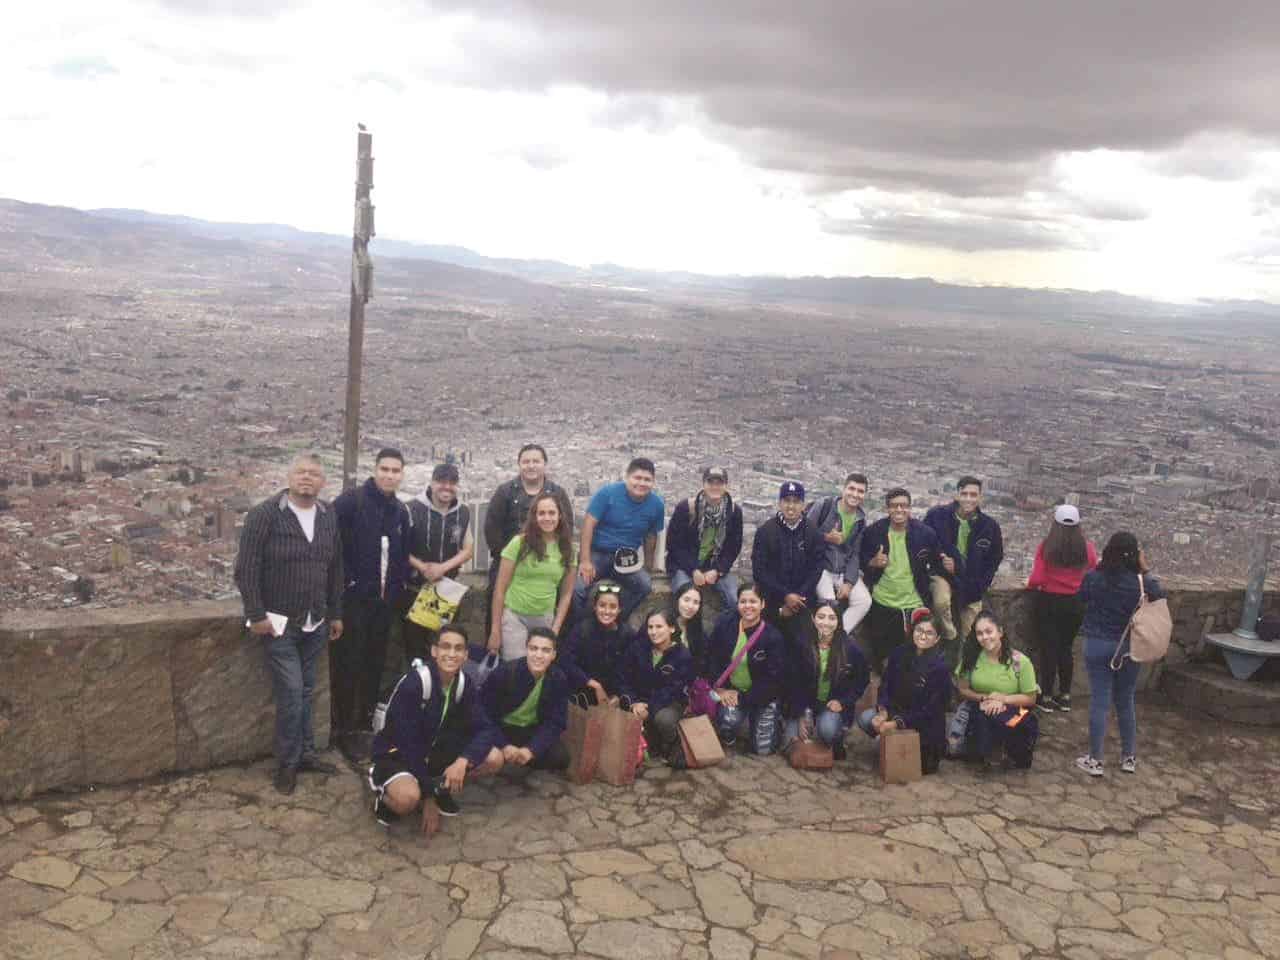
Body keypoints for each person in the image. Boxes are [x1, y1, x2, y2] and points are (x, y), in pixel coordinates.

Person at [234, 453, 344, 795]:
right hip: (279, 622)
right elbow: (246, 568)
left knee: (307, 691)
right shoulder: (265, 515)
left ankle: (306, 754)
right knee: (293, 693)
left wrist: (336, 612)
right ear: (289, 477)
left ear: (323, 481)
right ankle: (287, 762)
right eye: (301, 472)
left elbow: (335, 567)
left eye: (314, 473)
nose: (307, 478)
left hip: (316, 619)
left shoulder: (328, 516)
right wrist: (255, 614)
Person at [369, 625, 504, 832]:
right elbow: (408, 746)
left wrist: (463, 760)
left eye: (458, 649)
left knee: (494, 757)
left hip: (433, 751)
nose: (451, 654)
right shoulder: (415, 684)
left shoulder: (464, 684)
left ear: (466, 655)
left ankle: (440, 788)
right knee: (407, 799)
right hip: (397, 754)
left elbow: (486, 729)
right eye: (445, 647)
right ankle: (385, 795)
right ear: (434, 651)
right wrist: (428, 798)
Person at [332, 448, 413, 758]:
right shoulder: (351, 503)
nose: (390, 475)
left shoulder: (399, 511)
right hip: (353, 601)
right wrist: (347, 584)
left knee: (374, 663)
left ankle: (364, 723)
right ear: (375, 469)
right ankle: (344, 727)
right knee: (348, 663)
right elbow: (333, 548)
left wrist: (397, 589)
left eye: (395, 471)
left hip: (383, 604)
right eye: (385, 469)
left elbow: (401, 555)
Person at [1075, 532, 1165, 777]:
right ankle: (1128, 757)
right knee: (1125, 700)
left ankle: (1095, 760)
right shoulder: (1140, 582)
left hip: (1097, 643)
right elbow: (1160, 596)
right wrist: (1145, 569)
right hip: (1128, 646)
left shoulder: (1094, 577)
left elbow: (1081, 598)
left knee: (1100, 701)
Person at [859, 487, 958, 674]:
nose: (899, 510)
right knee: (883, 657)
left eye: (903, 506)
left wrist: (950, 567)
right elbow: (862, 560)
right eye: (894, 506)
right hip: (883, 601)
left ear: (909, 508)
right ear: (887, 509)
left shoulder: (924, 534)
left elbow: (937, 562)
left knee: (916, 657)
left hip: (915, 603)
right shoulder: (874, 532)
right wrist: (872, 562)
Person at [483, 444, 574, 637]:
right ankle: (494, 643)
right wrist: (509, 556)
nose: (531, 466)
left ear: (545, 464)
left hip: (551, 559)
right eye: (526, 461)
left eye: (536, 461)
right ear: (519, 465)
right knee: (494, 595)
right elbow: (492, 528)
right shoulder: (505, 492)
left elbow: (568, 527)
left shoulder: (558, 493)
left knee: (571, 595)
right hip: (509, 559)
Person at [855, 609, 950, 775]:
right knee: (866, 719)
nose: (922, 636)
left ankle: (891, 742)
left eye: (929, 633)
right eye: (919, 630)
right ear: (912, 631)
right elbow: (885, 686)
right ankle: (888, 742)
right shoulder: (899, 654)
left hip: (924, 727)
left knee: (917, 764)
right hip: (896, 712)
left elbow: (930, 711)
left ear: (937, 639)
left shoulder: (940, 668)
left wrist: (895, 723)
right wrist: (883, 711)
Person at [925, 477, 1004, 668]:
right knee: (941, 602)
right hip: (943, 575)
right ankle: (950, 635)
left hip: (971, 584)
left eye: (973, 495)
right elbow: (924, 540)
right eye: (965, 494)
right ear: (957, 495)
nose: (969, 499)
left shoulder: (989, 526)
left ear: (980, 498)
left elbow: (994, 558)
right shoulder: (937, 516)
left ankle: (962, 671)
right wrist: (941, 560)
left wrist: (982, 584)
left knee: (971, 634)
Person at [1026, 504, 1098, 713]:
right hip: (1075, 604)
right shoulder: (1088, 548)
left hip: (1049, 601)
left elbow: (1037, 578)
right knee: (1065, 648)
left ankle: (1046, 695)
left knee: (1049, 649)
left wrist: (1031, 585)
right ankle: (1065, 695)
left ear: (1055, 524)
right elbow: (1093, 573)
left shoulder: (1046, 547)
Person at [576, 457, 666, 623]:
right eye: (637, 478)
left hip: (626, 558)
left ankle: (615, 620)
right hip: (598, 552)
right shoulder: (607, 493)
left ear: (653, 482)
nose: (641, 483)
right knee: (578, 588)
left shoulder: (657, 505)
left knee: (644, 585)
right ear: (627, 477)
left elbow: (651, 536)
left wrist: (648, 566)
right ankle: (583, 626)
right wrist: (585, 560)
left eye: (647, 480)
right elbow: (588, 524)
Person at [489, 492, 575, 661]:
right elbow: (500, 589)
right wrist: (495, 630)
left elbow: (566, 594)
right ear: (534, 517)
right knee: (515, 667)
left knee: (539, 668)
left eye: (551, 513)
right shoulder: (519, 543)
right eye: (541, 513)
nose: (547, 518)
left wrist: (555, 628)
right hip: (514, 615)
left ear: (560, 516)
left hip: (545, 618)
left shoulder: (568, 549)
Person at [403, 462, 475, 664]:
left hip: (446, 591)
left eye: (452, 483)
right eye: (441, 482)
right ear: (432, 483)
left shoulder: (463, 512)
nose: (447, 487)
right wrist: (423, 567)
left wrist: (442, 568)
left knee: (444, 647)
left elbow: (468, 549)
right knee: (415, 650)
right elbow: (401, 548)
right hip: (414, 589)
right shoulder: (411, 509)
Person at [703, 583, 787, 754]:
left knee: (763, 750)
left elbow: (774, 680)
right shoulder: (725, 626)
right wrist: (721, 689)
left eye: (753, 601)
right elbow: (711, 658)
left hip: (761, 695)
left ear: (762, 604)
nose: (748, 606)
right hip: (731, 692)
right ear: (737, 604)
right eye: (743, 601)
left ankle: (768, 719)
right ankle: (734, 728)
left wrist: (743, 698)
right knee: (728, 722)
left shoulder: (773, 637)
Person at [953, 611, 1041, 770]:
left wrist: (1002, 699)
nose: (985, 637)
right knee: (982, 721)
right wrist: (986, 698)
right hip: (981, 707)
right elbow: (963, 690)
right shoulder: (971, 657)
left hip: (1012, 710)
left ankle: (1010, 751)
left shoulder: (1020, 661)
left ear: (1000, 632)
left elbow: (1031, 698)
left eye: (989, 631)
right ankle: (986, 751)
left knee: (1026, 722)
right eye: (979, 633)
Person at [783, 601, 870, 760]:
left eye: (832, 618)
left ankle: (836, 739)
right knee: (790, 743)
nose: (826, 623)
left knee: (827, 730)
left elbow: (862, 680)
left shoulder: (851, 648)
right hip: (806, 704)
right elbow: (793, 682)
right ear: (813, 618)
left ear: (838, 621)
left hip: (831, 706)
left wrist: (843, 702)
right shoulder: (801, 643)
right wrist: (800, 713)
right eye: (821, 617)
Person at [482, 627, 571, 772]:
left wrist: (532, 750)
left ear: (554, 655)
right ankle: (503, 757)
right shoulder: (505, 673)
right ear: (526, 649)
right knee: (492, 755)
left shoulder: (557, 678)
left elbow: (557, 722)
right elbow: (483, 714)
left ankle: (521, 758)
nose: (538, 655)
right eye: (533, 648)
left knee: (560, 758)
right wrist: (503, 744)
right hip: (501, 728)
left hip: (528, 730)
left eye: (545, 650)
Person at [750, 480, 825, 643]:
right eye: (787, 501)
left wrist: (797, 598)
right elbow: (759, 570)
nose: (791, 506)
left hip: (803, 602)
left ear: (803, 505)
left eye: (796, 502)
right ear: (779, 503)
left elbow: (817, 568)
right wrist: (785, 595)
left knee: (803, 648)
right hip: (772, 603)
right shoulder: (765, 531)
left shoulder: (813, 533)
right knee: (768, 645)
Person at [620, 610, 694, 766]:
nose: (653, 632)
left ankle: (671, 743)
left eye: (659, 626)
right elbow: (624, 679)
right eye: (650, 627)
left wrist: (648, 707)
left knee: (664, 719)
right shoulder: (637, 649)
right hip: (638, 703)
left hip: (668, 704)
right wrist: (633, 702)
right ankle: (651, 740)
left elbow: (674, 689)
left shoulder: (682, 655)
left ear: (672, 628)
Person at [665, 467, 743, 614]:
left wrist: (718, 570)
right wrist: (693, 569)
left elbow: (733, 547)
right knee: (685, 599)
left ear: (726, 486)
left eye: (719, 483)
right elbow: (674, 544)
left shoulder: (733, 512)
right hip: (684, 565)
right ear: (703, 484)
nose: (715, 487)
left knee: (734, 601)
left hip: (714, 566)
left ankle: (724, 632)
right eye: (710, 482)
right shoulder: (686, 508)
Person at [807, 473, 872, 635]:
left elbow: (854, 553)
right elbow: (804, 534)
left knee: (864, 601)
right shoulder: (824, 506)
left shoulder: (860, 520)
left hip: (842, 570)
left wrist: (849, 582)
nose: (855, 494)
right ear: (843, 489)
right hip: (821, 567)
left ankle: (838, 635)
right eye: (851, 489)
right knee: (830, 605)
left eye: (860, 491)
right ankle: (824, 638)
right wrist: (826, 537)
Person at [559, 580, 634, 704]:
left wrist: (618, 695)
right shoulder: (582, 630)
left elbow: (629, 670)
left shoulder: (627, 634)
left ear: (620, 609)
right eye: (602, 605)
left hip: (613, 693)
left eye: (613, 607)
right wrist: (594, 685)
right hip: (583, 688)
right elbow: (566, 662)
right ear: (594, 606)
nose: (607, 611)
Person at [672, 582, 709, 678]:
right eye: (686, 600)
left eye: (696, 602)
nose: (690, 606)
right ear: (677, 600)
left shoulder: (699, 631)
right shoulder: (661, 623)